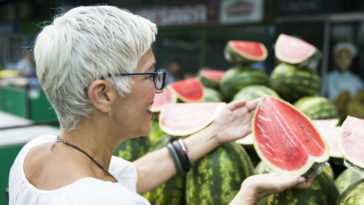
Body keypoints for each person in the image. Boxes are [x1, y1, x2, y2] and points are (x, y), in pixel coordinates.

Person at [9, 6, 315, 205]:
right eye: (150, 74)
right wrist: (249, 192)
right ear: (103, 94)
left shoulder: (35, 153)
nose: (160, 87)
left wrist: (215, 133)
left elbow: (134, 174)